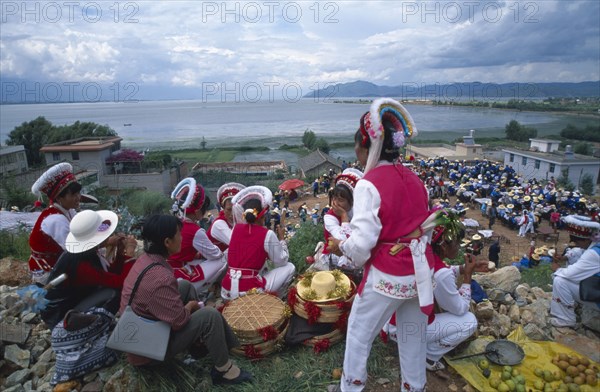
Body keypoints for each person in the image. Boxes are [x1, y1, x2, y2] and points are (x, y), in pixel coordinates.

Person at [330, 98, 434, 392]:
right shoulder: (416, 179)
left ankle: (351, 387)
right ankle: (414, 387)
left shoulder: (368, 183)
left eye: (357, 147)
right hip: (419, 272)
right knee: (413, 336)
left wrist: (341, 246)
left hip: (388, 275)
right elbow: (422, 228)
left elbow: (362, 245)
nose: (357, 154)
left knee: (360, 333)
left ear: (367, 145)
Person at [120, 214, 252, 385]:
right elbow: (179, 321)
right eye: (179, 234)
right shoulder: (160, 277)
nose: (182, 238)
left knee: (185, 286)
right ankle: (224, 370)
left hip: (138, 332)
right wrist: (190, 306)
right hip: (147, 350)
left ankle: (199, 344)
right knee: (209, 316)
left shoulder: (146, 260)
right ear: (167, 242)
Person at [382, 209, 486, 371]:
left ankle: (421, 344)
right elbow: (460, 308)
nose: (459, 247)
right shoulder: (441, 273)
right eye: (457, 243)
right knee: (469, 321)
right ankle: (429, 356)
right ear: (444, 245)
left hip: (391, 323)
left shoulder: (422, 253)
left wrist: (462, 268)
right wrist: (467, 277)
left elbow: (442, 271)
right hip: (405, 331)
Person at [41, 210, 136, 329]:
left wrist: (121, 254)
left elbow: (110, 275)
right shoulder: (81, 265)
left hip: (69, 303)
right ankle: (96, 327)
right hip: (61, 315)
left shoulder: (84, 253)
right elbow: (120, 282)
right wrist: (130, 254)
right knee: (114, 294)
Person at [220, 186, 295, 300]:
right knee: (290, 267)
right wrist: (282, 240)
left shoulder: (236, 229)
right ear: (263, 216)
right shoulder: (267, 234)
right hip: (249, 291)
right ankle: (274, 301)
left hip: (227, 290)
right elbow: (281, 261)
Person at [168, 178, 227, 295]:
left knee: (201, 258)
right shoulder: (194, 230)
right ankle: (215, 287)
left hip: (169, 270)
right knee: (224, 257)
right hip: (180, 275)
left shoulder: (176, 221)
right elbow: (215, 254)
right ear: (197, 211)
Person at [29, 163, 82, 284]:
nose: (78, 197)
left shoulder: (69, 211)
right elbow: (75, 248)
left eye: (78, 193)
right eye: (73, 195)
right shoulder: (55, 219)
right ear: (59, 198)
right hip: (47, 273)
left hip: (58, 263)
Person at [550, 225, 600, 328]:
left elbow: (570, 274)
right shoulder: (596, 246)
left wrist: (557, 269)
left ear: (586, 240)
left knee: (560, 280)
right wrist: (565, 257)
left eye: (577, 242)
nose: (577, 245)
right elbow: (579, 252)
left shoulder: (593, 254)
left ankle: (566, 319)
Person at [320, 168, 363, 269]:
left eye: (341, 200)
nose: (335, 203)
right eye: (334, 198)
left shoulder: (359, 214)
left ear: (352, 201)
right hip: (336, 255)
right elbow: (343, 242)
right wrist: (344, 216)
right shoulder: (329, 217)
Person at [207, 182, 245, 251]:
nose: (232, 213)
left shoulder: (241, 222)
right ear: (223, 209)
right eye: (229, 209)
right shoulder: (218, 224)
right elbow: (236, 243)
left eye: (235, 209)